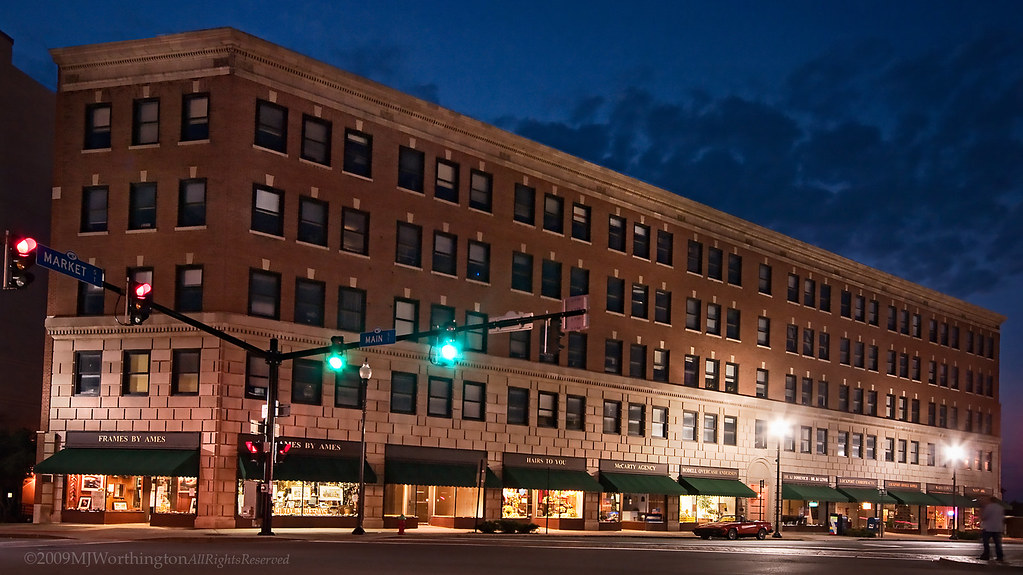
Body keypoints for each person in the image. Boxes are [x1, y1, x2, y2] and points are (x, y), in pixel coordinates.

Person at [978, 495, 1005, 562]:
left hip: (988, 527)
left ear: (990, 501)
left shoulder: (988, 507)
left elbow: (984, 517)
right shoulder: (1000, 508)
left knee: (986, 542)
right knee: (997, 543)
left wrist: (981, 512)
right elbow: (1002, 518)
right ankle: (1000, 556)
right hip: (998, 528)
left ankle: (986, 554)